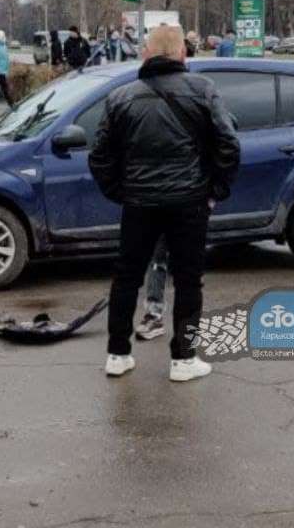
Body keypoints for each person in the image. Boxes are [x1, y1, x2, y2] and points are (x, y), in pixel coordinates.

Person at [88, 24, 240, 381]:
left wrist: (121, 192)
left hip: (139, 204)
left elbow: (99, 156)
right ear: (182, 54)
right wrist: (214, 190)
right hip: (190, 203)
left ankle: (118, 353)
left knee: (126, 277)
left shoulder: (121, 97)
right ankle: (184, 360)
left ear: (145, 54)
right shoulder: (203, 91)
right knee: (189, 280)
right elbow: (229, 145)